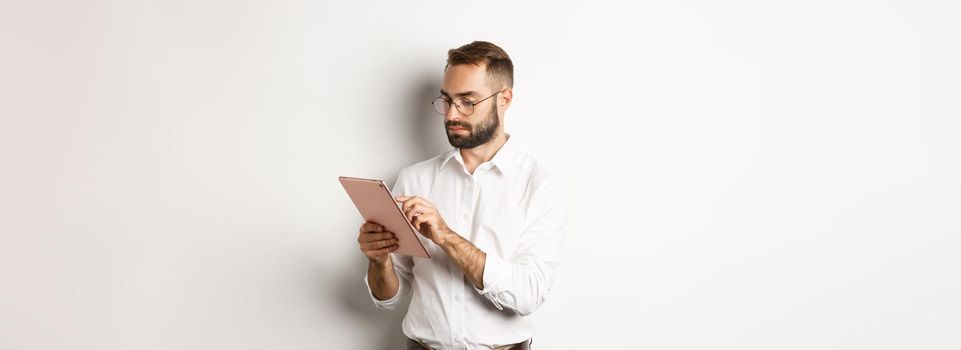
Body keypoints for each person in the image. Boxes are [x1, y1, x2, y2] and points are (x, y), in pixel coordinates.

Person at [356, 41, 568, 350]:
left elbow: (529, 294)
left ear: (504, 99)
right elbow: (389, 298)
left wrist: (445, 235)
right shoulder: (413, 178)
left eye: (467, 101)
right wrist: (378, 260)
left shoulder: (541, 186)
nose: (452, 113)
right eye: (447, 100)